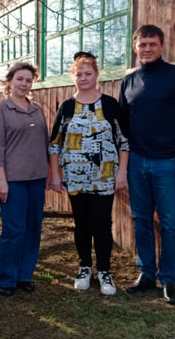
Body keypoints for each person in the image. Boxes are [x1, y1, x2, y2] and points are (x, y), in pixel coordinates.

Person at [119, 24, 175, 305]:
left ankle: (168, 279)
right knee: (141, 220)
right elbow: (122, 126)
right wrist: (122, 163)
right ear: (135, 48)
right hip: (137, 162)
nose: (147, 49)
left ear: (162, 46)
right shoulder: (128, 81)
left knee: (169, 224)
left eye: (152, 44)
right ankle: (146, 274)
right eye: (142, 44)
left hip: (169, 162)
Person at [48, 52, 129, 295]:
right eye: (79, 74)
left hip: (104, 176)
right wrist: (55, 174)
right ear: (73, 77)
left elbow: (124, 141)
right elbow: (55, 144)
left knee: (102, 223)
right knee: (81, 223)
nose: (83, 78)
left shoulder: (110, 104)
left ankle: (104, 271)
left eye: (88, 74)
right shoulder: (67, 107)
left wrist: (122, 173)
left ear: (96, 76)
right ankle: (84, 267)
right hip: (75, 177)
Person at [0, 61, 49, 296]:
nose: (24, 84)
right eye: (20, 79)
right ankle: (6, 278)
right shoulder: (1, 110)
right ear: (10, 81)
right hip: (13, 180)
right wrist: (1, 180)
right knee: (14, 230)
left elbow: (45, 145)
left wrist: (49, 173)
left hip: (37, 179)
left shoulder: (37, 110)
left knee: (33, 228)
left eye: (28, 80)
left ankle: (25, 275)